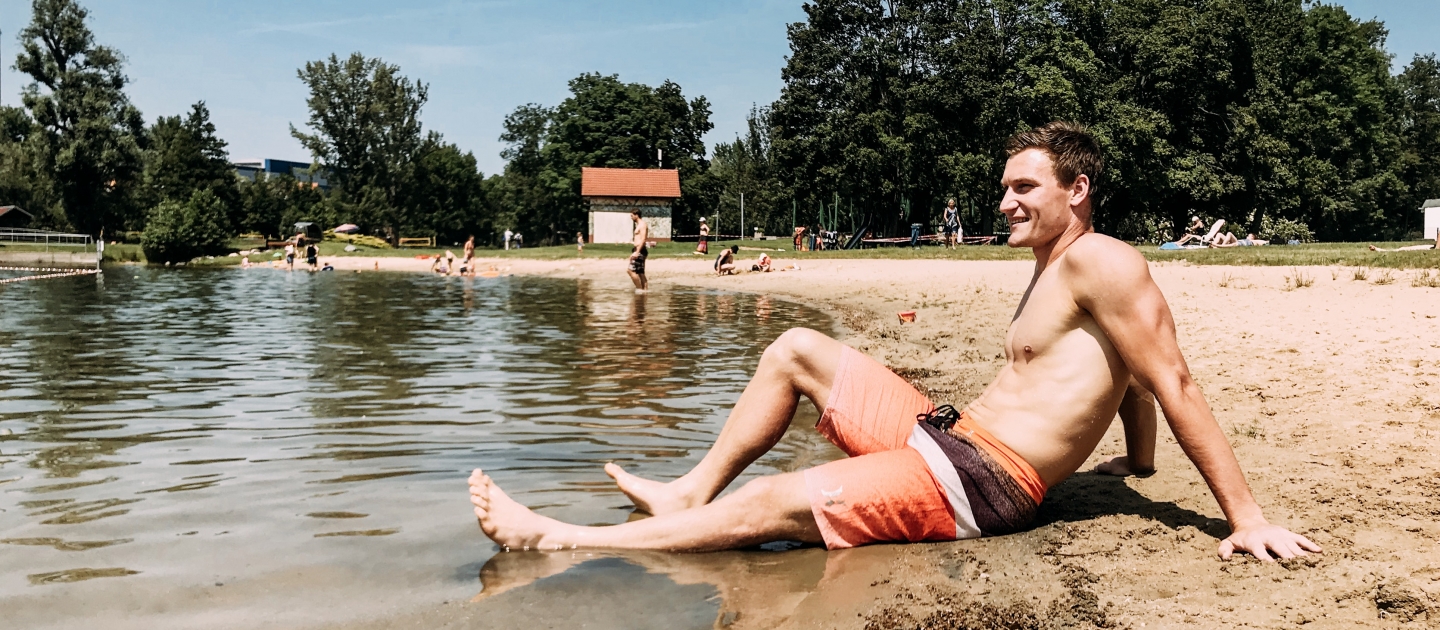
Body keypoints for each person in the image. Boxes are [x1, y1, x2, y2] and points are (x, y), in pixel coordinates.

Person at [468, 122, 1321, 564]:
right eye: (1003, 189)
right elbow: (1134, 385)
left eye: (1024, 187)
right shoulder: (1059, 267)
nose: (1005, 203)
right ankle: (688, 491)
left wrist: (1245, 518)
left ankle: (562, 539)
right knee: (795, 346)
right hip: (952, 437)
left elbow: (1170, 379)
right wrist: (1135, 470)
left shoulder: (1102, 259)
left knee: (782, 502)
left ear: (1078, 188)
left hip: (989, 482)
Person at [628, 209, 649, 291]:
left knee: (630, 270)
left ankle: (639, 288)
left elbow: (643, 239)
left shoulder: (642, 225)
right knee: (640, 273)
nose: (631, 217)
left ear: (637, 215)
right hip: (637, 249)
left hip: (640, 250)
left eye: (632, 216)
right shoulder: (638, 225)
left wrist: (637, 252)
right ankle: (644, 292)